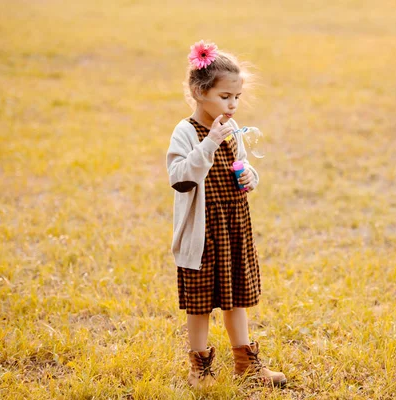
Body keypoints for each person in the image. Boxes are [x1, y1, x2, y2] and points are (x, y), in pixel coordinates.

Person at [166, 40, 286, 389]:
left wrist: (251, 177)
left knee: (236, 297)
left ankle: (245, 363)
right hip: (202, 233)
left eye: (236, 97)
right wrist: (209, 142)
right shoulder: (186, 132)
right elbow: (181, 177)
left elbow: (243, 167)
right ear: (198, 92)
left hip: (233, 225)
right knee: (201, 303)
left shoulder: (233, 129)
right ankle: (199, 369)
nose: (232, 104)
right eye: (224, 97)